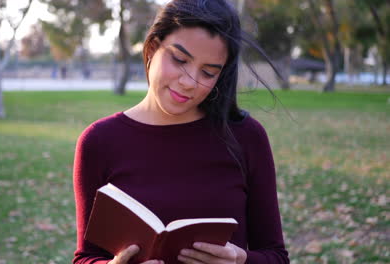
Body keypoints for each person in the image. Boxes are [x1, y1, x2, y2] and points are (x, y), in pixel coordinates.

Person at [72, 0, 289, 263]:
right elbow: (86, 257)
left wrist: (240, 260)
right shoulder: (99, 141)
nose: (189, 83)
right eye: (179, 60)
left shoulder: (246, 137)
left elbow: (275, 256)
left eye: (208, 73)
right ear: (152, 48)